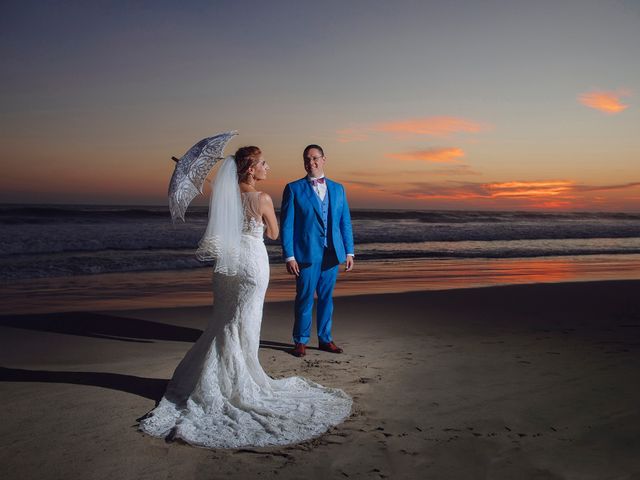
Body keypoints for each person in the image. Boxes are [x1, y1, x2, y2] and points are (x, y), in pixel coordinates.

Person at [139, 146, 351, 449]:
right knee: (244, 320)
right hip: (251, 263)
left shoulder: (223, 196)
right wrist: (264, 219)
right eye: (263, 163)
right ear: (250, 169)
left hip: (227, 267)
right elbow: (275, 234)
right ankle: (240, 380)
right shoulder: (263, 198)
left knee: (225, 318)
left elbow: (223, 233)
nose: (268, 166)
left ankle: (213, 378)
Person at [280, 144, 354, 358]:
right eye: (306, 159)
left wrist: (349, 251)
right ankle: (300, 341)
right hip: (305, 254)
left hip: (332, 253)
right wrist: (289, 255)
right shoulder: (293, 188)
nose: (310, 162)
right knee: (304, 298)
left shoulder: (338, 189)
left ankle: (325, 339)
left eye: (314, 158)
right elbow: (287, 225)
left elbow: (344, 222)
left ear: (323, 159)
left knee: (326, 298)